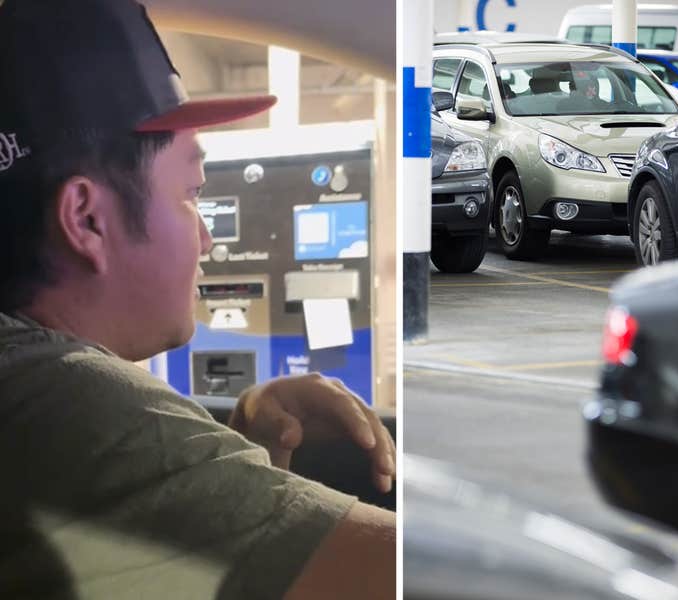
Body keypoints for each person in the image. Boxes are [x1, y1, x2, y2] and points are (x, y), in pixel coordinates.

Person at [0, 0, 395, 597]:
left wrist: (245, 446)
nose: (208, 238)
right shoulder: (61, 400)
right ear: (87, 219)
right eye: (192, 193)